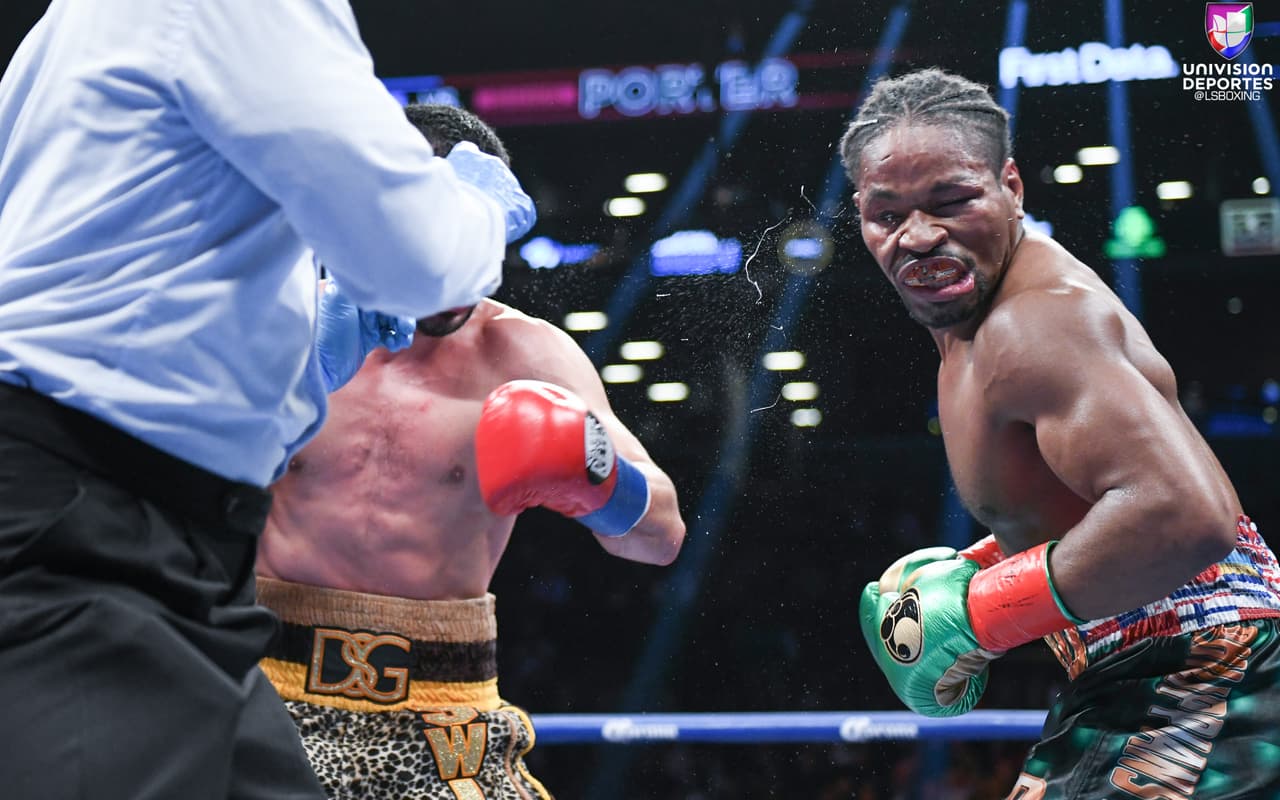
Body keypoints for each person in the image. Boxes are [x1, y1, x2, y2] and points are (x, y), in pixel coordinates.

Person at [0, 3, 535, 798]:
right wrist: (479, 208)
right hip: (91, 535)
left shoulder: (72, 24)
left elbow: (128, 275)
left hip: (146, 535)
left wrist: (299, 366)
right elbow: (422, 258)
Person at [842, 68, 1280, 797]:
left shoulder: (1033, 324)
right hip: (1144, 668)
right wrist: (982, 567)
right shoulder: (972, 330)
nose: (918, 237)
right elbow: (1077, 496)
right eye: (886, 216)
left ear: (1011, 188)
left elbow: (1185, 515)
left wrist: (982, 614)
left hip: (1203, 664)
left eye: (951, 201)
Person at [256, 104, 685, 800]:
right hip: (259, 685)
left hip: (442, 709)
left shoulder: (525, 354)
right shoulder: (283, 324)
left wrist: (594, 469)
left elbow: (659, 538)